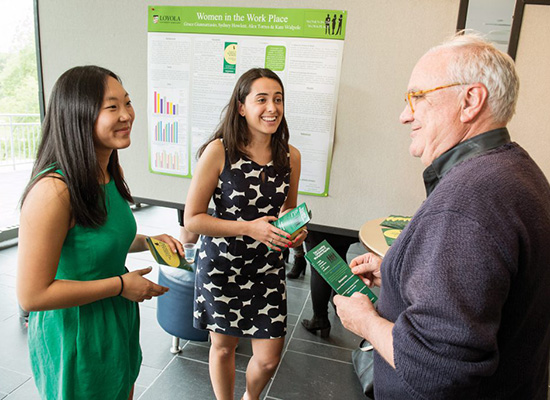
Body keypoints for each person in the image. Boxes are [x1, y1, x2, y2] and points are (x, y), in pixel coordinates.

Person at [334, 32, 550, 399]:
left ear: (470, 101)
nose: (405, 116)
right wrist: (398, 276)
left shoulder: (471, 200)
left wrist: (366, 323)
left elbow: (437, 368)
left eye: (416, 97)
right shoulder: (515, 170)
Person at [16, 66, 183, 400]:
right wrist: (121, 285)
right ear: (78, 115)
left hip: (114, 318)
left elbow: (100, 238)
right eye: (112, 107)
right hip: (76, 331)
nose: (126, 115)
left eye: (128, 103)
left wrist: (150, 243)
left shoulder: (108, 171)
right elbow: (32, 295)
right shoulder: (53, 191)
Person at [184, 68, 306, 400]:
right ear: (241, 107)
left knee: (268, 360)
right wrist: (248, 228)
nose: (272, 108)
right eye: (262, 99)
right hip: (222, 268)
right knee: (223, 347)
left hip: (266, 269)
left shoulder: (290, 157)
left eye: (278, 99)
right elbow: (192, 219)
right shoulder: (219, 151)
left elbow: (286, 213)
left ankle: (250, 398)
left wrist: (294, 230)